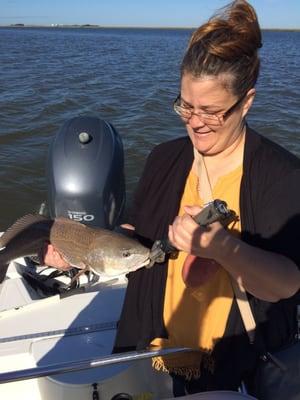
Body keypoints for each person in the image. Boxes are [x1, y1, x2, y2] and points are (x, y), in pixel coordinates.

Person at [43, 0, 300, 396]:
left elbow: (285, 283)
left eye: (212, 111)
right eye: (186, 106)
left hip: (231, 361)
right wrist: (82, 247)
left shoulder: (281, 174)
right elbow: (140, 235)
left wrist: (224, 248)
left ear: (246, 101)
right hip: (156, 349)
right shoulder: (165, 157)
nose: (195, 122)